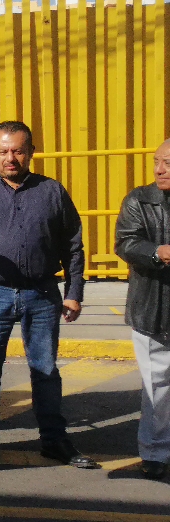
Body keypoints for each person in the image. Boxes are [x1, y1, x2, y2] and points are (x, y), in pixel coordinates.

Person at [0, 121, 97, 469]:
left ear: (30, 152)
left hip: (42, 293)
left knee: (45, 369)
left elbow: (73, 245)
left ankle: (54, 441)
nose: (10, 157)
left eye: (17, 150)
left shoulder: (52, 191)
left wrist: (74, 292)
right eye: (3, 151)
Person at [114, 138, 170, 480]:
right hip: (153, 307)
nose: (160, 169)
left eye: (167, 163)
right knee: (157, 384)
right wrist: (158, 252)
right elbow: (125, 242)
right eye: (156, 162)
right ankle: (154, 453)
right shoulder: (139, 199)